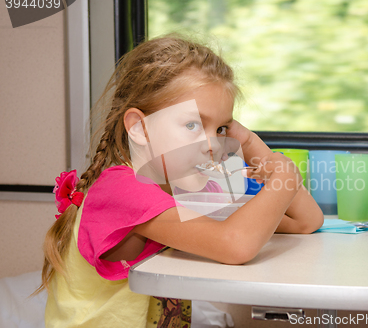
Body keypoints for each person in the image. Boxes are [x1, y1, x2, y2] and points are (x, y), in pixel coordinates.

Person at [37, 34, 324, 328]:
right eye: (192, 124)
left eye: (222, 128)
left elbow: (306, 221)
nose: (213, 144)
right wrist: (285, 177)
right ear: (139, 128)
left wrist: (250, 142)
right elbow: (236, 245)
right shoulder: (123, 189)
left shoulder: (184, 186)